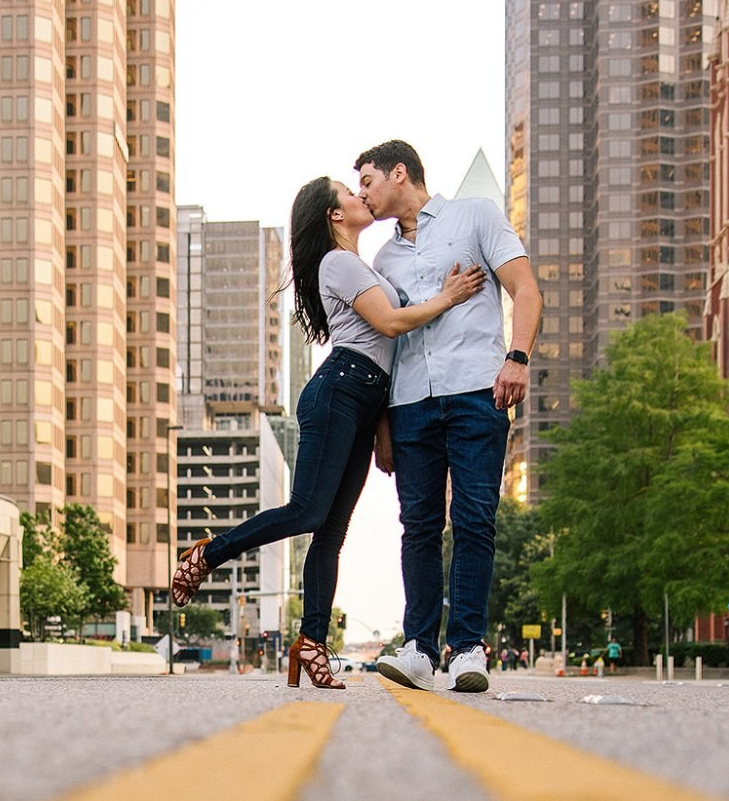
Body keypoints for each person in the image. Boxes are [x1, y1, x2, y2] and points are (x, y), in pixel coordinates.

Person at [172, 175, 482, 689]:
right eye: (348, 191)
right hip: (339, 390)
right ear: (334, 214)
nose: (360, 195)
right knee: (308, 511)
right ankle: (210, 553)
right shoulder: (336, 263)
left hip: (364, 399)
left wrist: (381, 427)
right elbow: (388, 325)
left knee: (332, 533)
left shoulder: (358, 264)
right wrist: (448, 297)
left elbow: (389, 354)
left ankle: (311, 642)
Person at [356, 140, 543, 695]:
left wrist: (518, 357)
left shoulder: (476, 216)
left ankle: (466, 649)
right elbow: (385, 341)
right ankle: (418, 648)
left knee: (474, 519)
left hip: (475, 393)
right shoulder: (383, 260)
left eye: (367, 179)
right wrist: (381, 425)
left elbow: (526, 289)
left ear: (399, 173)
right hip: (409, 403)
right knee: (417, 526)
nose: (363, 191)